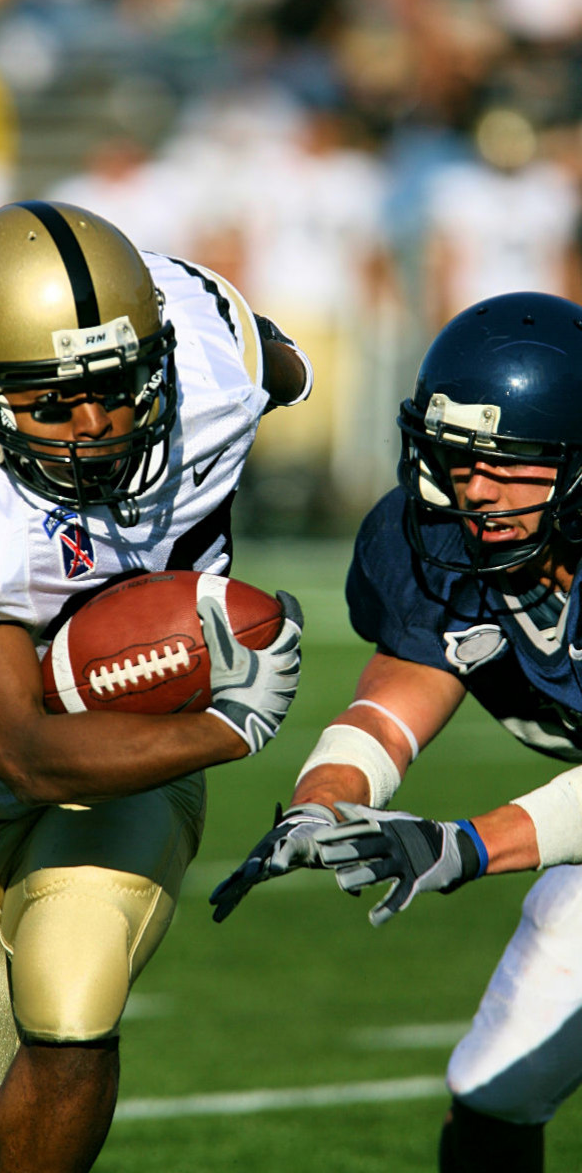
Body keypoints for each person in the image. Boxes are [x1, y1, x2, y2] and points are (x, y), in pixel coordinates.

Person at [0, 199, 311, 1173]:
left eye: (117, 385)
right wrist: (235, 722)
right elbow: (26, 754)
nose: (93, 424)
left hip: (132, 762)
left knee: (70, 1003)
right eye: (50, 402)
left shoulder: (205, 350)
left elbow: (277, 361)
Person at [210, 289, 582, 1173]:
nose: (474, 488)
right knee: (497, 1090)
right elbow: (401, 691)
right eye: (459, 459)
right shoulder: (444, 546)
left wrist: (465, 845)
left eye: (510, 462)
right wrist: (323, 802)